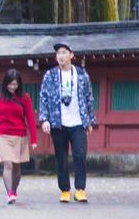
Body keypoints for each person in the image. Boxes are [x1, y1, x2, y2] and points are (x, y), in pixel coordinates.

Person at [38, 41, 96, 204]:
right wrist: (44, 119)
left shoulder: (82, 74)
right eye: (58, 53)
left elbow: (89, 97)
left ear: (71, 55)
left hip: (78, 121)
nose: (61, 56)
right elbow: (43, 98)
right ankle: (64, 190)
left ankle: (80, 189)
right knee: (61, 157)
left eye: (64, 52)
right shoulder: (50, 75)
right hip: (58, 122)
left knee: (79, 154)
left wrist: (90, 120)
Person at [0, 68, 37, 205]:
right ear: (5, 83)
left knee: (16, 166)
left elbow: (30, 119)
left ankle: (14, 191)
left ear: (19, 84)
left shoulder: (25, 98)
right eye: (10, 84)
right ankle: (9, 193)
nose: (12, 87)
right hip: (3, 135)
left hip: (20, 135)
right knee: (7, 163)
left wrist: (34, 139)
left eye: (15, 84)